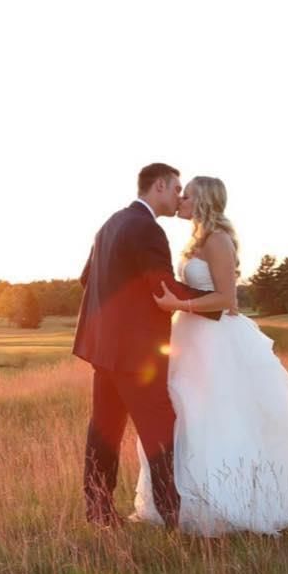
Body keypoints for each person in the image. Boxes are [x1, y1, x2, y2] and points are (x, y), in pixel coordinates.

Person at [132, 176, 288, 536]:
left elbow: (227, 300)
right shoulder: (197, 240)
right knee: (185, 416)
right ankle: (186, 503)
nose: (180, 200)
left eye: (187, 195)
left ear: (203, 201)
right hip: (188, 338)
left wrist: (179, 304)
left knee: (217, 417)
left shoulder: (218, 240)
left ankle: (229, 504)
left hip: (215, 340)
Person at [72, 164, 230, 528]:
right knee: (160, 429)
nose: (179, 197)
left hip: (104, 351)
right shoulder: (148, 229)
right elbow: (163, 289)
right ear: (159, 186)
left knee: (104, 429)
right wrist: (218, 304)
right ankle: (173, 516)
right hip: (136, 354)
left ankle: (99, 511)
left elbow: (87, 279)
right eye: (176, 188)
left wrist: (116, 315)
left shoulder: (110, 223)